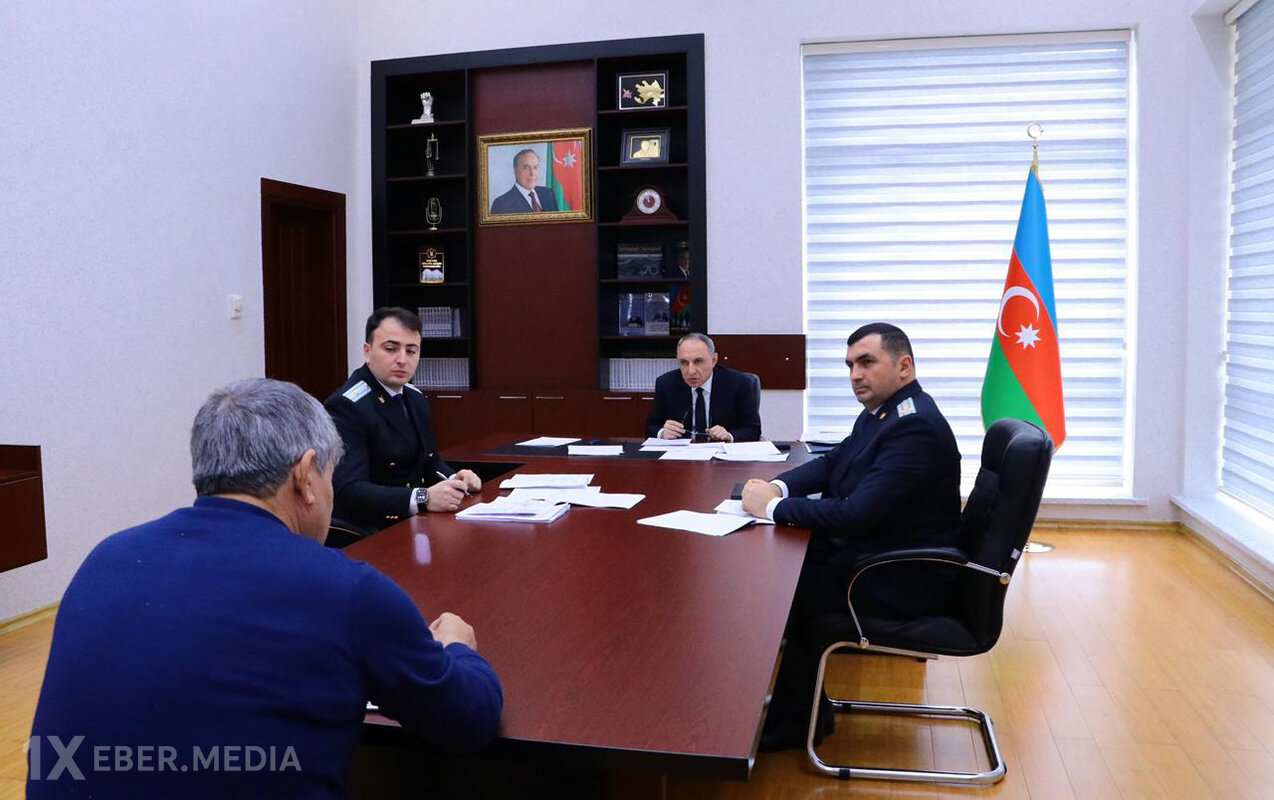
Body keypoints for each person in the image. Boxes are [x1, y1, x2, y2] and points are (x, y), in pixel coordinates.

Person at [27, 379, 502, 799]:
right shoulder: (344, 589)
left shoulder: (105, 559)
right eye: (331, 475)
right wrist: (457, 650)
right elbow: (469, 720)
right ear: (306, 476)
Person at [741, 322, 961, 751]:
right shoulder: (885, 412)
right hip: (877, 557)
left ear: (904, 366)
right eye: (849, 366)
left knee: (781, 589)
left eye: (866, 362)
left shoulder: (914, 427)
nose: (855, 375)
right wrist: (779, 487)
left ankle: (793, 720)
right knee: (781, 575)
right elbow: (835, 461)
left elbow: (856, 514)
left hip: (900, 579)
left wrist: (771, 510)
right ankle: (804, 711)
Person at [325, 308, 481, 530]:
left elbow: (429, 462)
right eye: (391, 349)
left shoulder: (414, 398)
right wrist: (423, 498)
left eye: (411, 351)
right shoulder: (347, 406)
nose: (402, 360)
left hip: (415, 522)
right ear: (367, 352)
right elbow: (348, 491)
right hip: (373, 529)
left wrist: (456, 479)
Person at [646, 332, 762, 442]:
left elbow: (753, 430)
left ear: (713, 360)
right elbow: (651, 426)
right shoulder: (666, 384)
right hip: (681, 453)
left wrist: (728, 435)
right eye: (684, 362)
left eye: (698, 361)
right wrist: (662, 432)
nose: (690, 371)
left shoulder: (739, 384)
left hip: (721, 453)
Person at [488, 148, 560, 214]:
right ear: (515, 171)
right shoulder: (502, 204)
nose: (532, 173)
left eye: (535, 167)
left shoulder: (548, 194)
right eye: (526, 168)